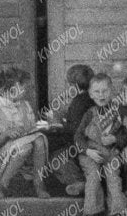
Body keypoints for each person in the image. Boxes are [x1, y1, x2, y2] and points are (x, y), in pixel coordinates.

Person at [0, 66, 47, 197]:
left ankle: (39, 183)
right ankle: (1, 186)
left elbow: (31, 128)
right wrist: (6, 134)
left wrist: (35, 128)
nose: (25, 90)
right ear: (10, 89)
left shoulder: (25, 105)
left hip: (26, 147)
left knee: (38, 140)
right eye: (22, 87)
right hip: (4, 154)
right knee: (26, 146)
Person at [75, 71, 127, 216]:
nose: (101, 95)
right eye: (97, 92)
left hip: (111, 153)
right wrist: (87, 151)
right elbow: (78, 136)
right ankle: (92, 214)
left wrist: (116, 139)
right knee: (93, 177)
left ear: (111, 91)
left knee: (113, 180)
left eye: (105, 91)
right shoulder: (89, 113)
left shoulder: (120, 111)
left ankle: (116, 215)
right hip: (91, 153)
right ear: (91, 94)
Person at [36, 63, 95, 196]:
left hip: (81, 143)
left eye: (69, 84)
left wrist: (55, 125)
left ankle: (78, 181)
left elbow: (74, 131)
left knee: (54, 156)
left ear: (74, 85)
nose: (68, 88)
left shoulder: (79, 102)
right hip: (87, 140)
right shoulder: (88, 98)